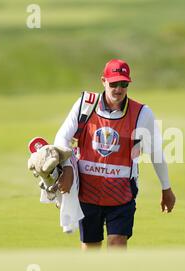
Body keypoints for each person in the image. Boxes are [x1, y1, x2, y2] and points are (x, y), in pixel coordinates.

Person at [54, 59, 176, 250]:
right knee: (90, 246)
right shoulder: (85, 105)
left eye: (124, 84)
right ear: (103, 81)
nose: (118, 89)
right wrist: (67, 168)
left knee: (117, 243)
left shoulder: (142, 113)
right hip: (87, 191)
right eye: (114, 84)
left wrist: (166, 188)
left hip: (122, 192)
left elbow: (156, 152)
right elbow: (61, 138)